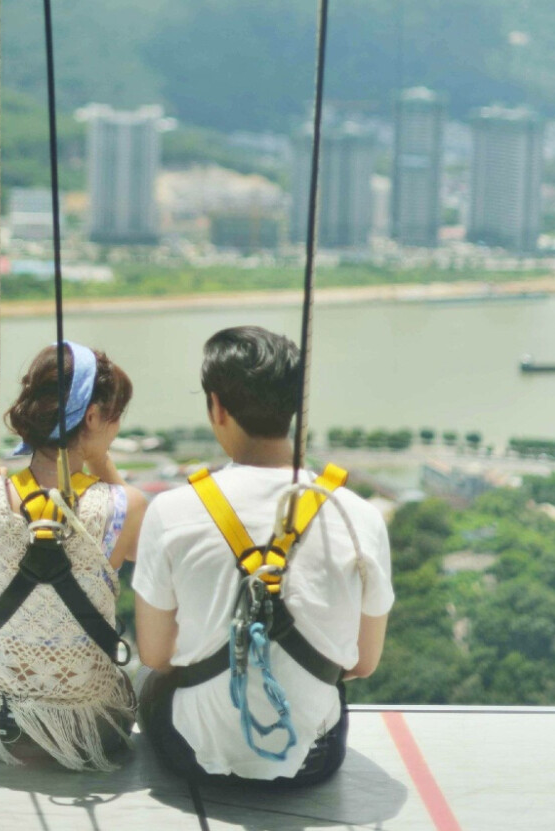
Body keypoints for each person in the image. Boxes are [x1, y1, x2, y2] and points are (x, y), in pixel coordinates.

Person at [133, 325, 393, 787]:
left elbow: (155, 655)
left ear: (216, 406)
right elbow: (362, 664)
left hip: (192, 754)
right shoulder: (358, 516)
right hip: (313, 761)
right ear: (296, 406)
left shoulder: (172, 511)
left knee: (148, 682)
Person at [0, 340, 147, 770]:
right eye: (115, 415)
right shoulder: (127, 506)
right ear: (93, 416)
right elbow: (136, 534)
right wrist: (101, 461)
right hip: (94, 731)